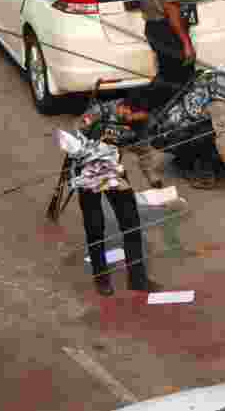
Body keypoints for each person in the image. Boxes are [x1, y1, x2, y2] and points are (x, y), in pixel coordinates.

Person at [117, 61, 225, 203]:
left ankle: (190, 158)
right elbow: (224, 146)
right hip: (170, 137)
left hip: (168, 127)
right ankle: (195, 169)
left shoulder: (221, 75)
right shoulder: (220, 104)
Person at [64, 103, 163, 297]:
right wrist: (81, 159)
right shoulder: (99, 113)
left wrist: (153, 178)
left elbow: (143, 151)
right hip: (87, 172)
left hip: (113, 171)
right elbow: (73, 138)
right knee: (95, 226)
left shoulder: (139, 124)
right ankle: (101, 277)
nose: (135, 122)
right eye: (133, 117)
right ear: (125, 108)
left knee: (131, 223)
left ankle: (137, 279)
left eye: (140, 119)